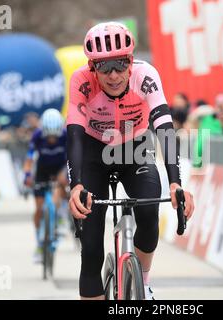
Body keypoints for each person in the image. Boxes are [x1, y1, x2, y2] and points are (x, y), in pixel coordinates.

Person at [66, 22, 194, 300]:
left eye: (120, 65)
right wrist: (76, 185)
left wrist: (175, 182)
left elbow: (164, 128)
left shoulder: (146, 75)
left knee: (148, 214)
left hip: (134, 148)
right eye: (104, 67)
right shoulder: (80, 81)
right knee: (91, 250)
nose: (114, 75)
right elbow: (74, 135)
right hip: (93, 152)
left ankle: (143, 284)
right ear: (92, 68)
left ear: (131, 61)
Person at [23, 108, 68, 263]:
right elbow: (29, 159)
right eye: (49, 137)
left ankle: (61, 217)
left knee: (61, 184)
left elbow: (73, 158)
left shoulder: (65, 135)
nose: (52, 140)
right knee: (39, 209)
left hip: (61, 167)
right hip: (42, 170)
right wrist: (27, 176)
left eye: (55, 136)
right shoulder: (37, 136)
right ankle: (39, 244)